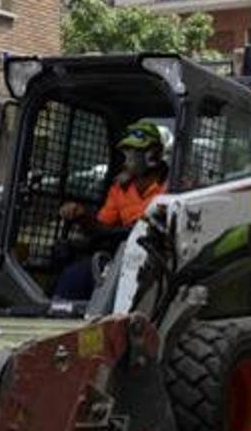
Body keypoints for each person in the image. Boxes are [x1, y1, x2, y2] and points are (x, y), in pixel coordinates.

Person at [54, 121, 168, 300]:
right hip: (121, 256)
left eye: (133, 153)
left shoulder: (172, 187)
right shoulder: (120, 189)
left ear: (153, 155)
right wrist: (82, 216)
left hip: (157, 261)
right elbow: (102, 228)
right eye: (126, 152)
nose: (127, 159)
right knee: (77, 274)